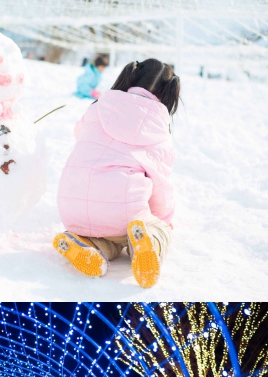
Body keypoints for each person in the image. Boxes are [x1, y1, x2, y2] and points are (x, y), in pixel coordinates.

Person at [52, 59, 181, 289]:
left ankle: (82, 243)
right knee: (148, 229)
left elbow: (79, 133)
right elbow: (161, 184)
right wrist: (162, 221)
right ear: (170, 92)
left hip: (72, 207)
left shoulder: (99, 106)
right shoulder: (159, 129)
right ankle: (148, 240)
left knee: (103, 239)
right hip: (122, 212)